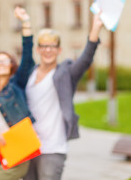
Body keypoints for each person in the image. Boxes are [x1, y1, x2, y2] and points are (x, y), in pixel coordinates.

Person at [23, 12, 104, 180]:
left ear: (59, 50)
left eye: (52, 46)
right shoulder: (30, 73)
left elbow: (85, 60)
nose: (48, 50)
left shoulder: (65, 73)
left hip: (53, 147)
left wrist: (95, 28)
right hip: (29, 146)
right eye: (44, 46)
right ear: (38, 49)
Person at [0, 7, 35, 180]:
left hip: (19, 146)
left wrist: (25, 22)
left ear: (11, 65)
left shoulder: (17, 84)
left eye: (5, 60)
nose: (0, 63)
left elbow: (28, 56)